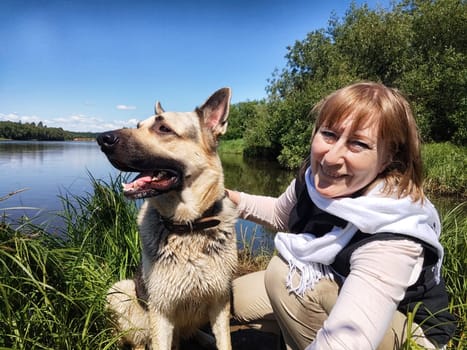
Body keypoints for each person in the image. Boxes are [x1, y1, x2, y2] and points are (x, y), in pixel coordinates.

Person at [226, 82, 456, 350]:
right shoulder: (312, 180)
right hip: (337, 283)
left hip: (409, 332)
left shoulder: (393, 233)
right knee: (241, 298)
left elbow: (347, 343)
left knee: (286, 274)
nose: (332, 158)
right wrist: (225, 198)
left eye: (358, 144)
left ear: (388, 156)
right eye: (329, 134)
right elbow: (279, 215)